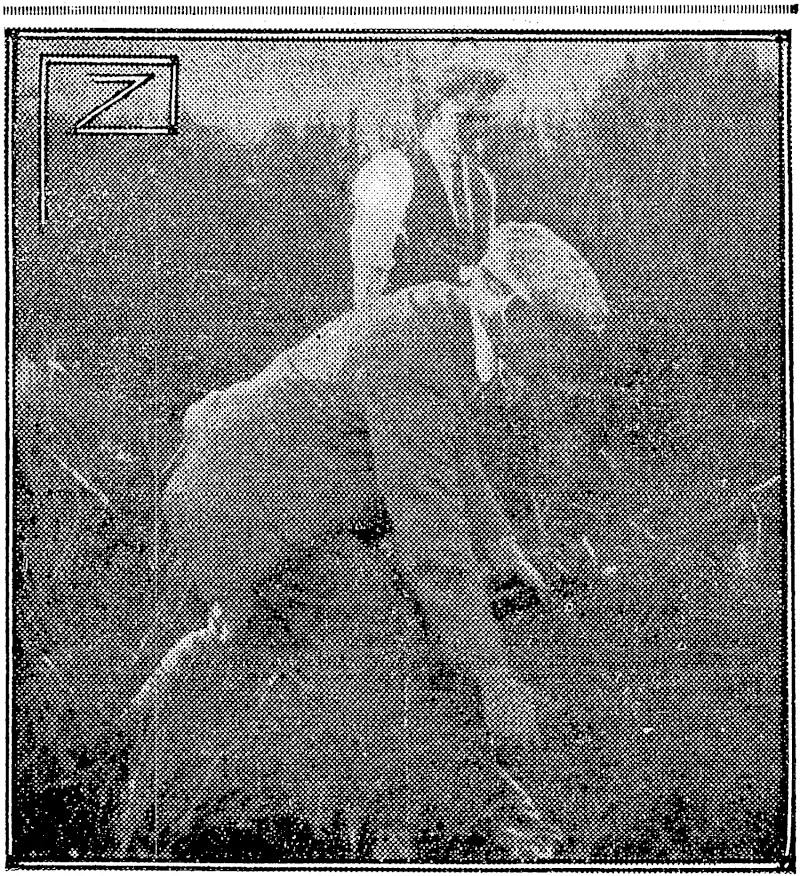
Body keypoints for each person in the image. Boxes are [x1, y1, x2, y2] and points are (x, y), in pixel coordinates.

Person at [114, 222, 608, 862]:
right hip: (265, 760)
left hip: (434, 762)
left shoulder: (498, 428)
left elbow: (530, 585)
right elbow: (198, 596)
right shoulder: (274, 408)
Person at [351, 63, 504, 308]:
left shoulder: (481, 182)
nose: (476, 130)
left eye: (483, 120)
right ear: (435, 116)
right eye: (465, 118)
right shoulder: (393, 170)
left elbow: (484, 263)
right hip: (403, 324)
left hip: (460, 327)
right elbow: (370, 266)